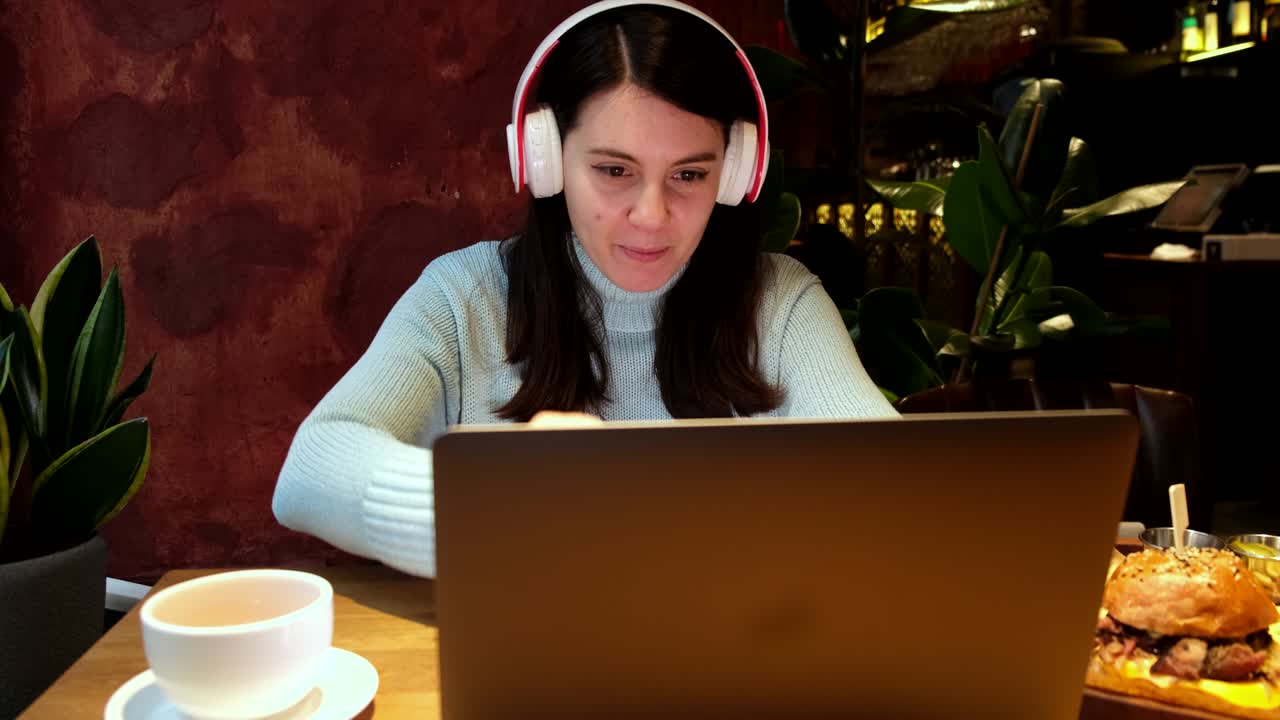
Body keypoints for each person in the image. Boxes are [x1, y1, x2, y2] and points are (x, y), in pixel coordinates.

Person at [272, 0, 899, 578]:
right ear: (545, 161)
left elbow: (888, 487)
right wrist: (508, 504)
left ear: (733, 172)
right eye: (613, 170)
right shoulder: (460, 298)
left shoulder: (780, 303)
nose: (651, 215)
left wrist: (623, 504)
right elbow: (310, 471)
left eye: (689, 173)